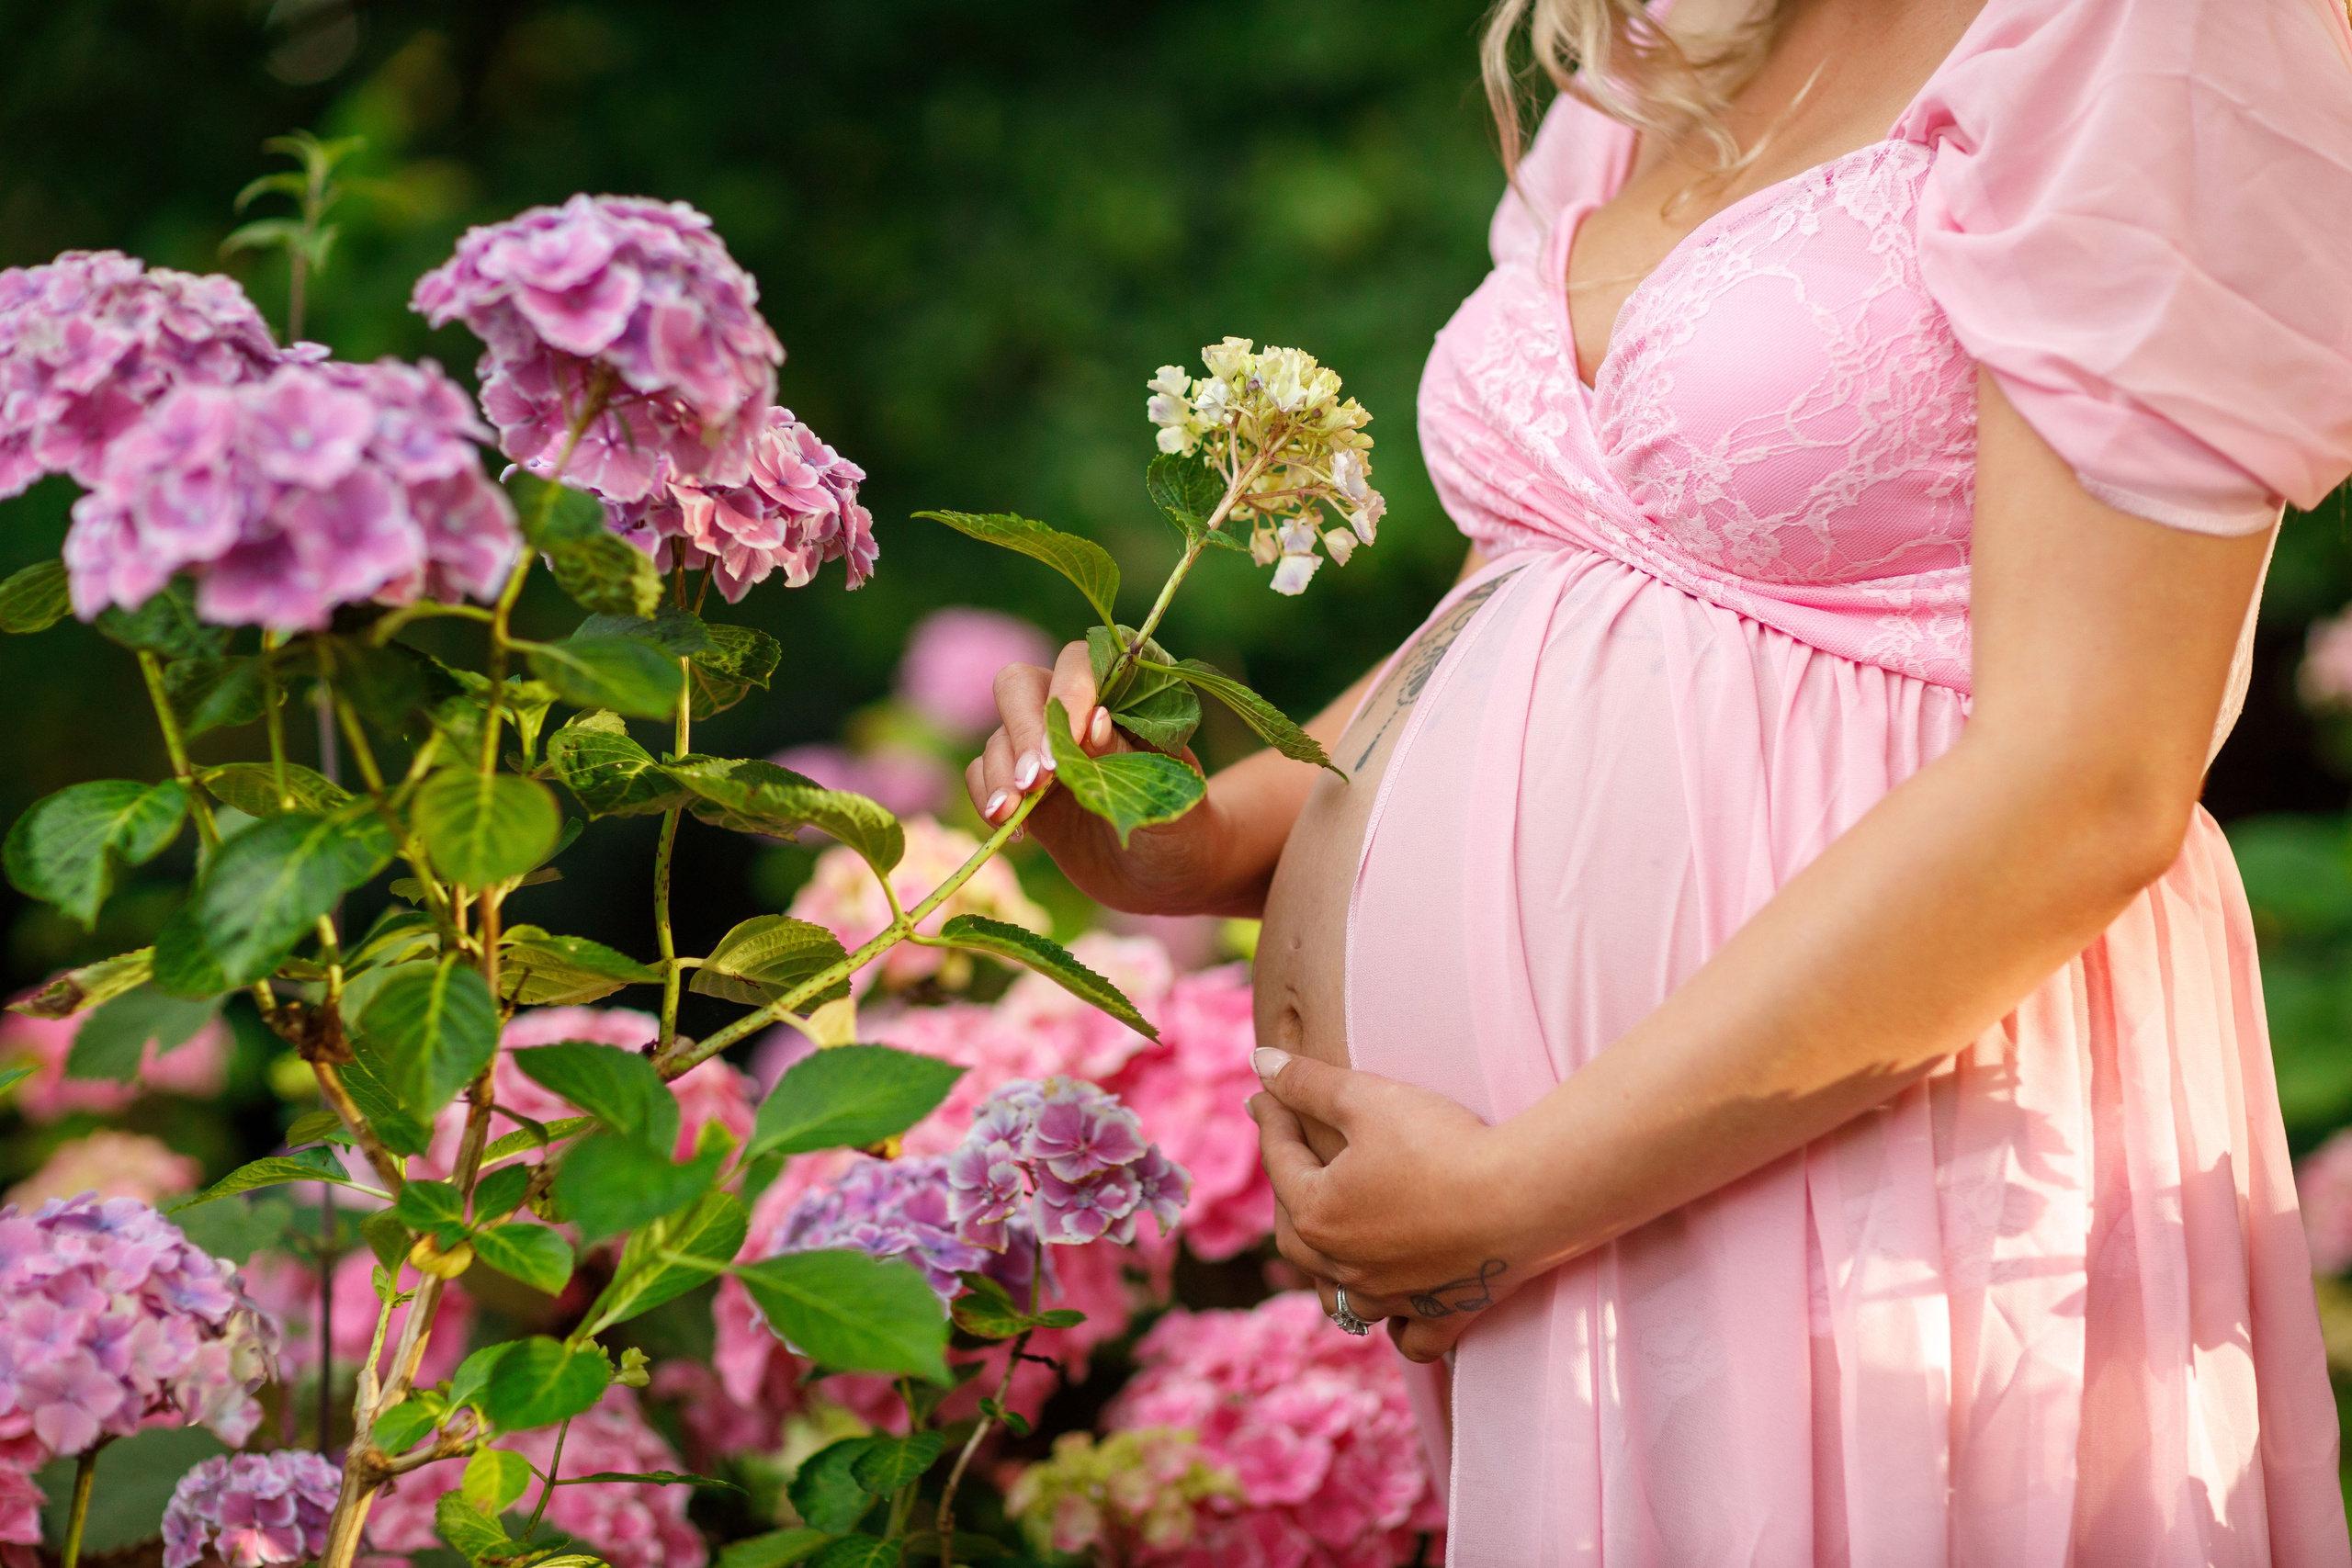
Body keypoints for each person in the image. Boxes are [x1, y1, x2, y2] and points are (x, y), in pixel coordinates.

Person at [970, 0, 2352, 1559]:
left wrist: (1516, 1196)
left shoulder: (2164, 35)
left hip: (1855, 1164)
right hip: (1539, 1238)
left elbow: (2090, 776)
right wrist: (1201, 838)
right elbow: (1554, 589)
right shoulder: (1667, 42)